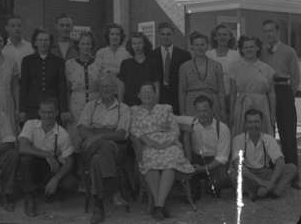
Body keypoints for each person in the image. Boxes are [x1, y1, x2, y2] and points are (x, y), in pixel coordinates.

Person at [130, 82, 194, 221]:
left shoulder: (165, 109)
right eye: (144, 92)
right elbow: (135, 131)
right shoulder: (135, 112)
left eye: (150, 92)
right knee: (150, 162)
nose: (147, 94)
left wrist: (168, 142)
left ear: (155, 94)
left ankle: (158, 205)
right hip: (148, 144)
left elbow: (175, 128)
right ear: (139, 95)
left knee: (170, 161)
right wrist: (151, 143)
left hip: (168, 143)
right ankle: (161, 206)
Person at [77, 74, 131, 224]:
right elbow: (81, 128)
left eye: (108, 86)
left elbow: (122, 134)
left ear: (114, 89)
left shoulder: (123, 108)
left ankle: (98, 206)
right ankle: (113, 188)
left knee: (97, 160)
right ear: (99, 90)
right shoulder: (90, 106)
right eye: (102, 87)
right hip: (90, 145)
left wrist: (98, 137)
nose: (105, 89)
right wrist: (97, 138)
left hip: (114, 148)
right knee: (103, 147)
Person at [19, 98, 78, 217]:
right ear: (39, 113)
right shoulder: (30, 124)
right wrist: (48, 154)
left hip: (51, 168)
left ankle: (46, 191)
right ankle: (30, 196)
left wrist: (56, 178)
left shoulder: (63, 134)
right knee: (25, 159)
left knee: (70, 183)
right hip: (33, 166)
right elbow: (22, 147)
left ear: (56, 112)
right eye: (44, 112)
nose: (47, 116)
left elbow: (69, 161)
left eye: (50, 112)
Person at [260, 19, 301, 189]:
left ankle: (294, 175)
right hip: (266, 92)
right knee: (267, 132)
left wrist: (286, 95)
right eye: (266, 31)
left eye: (271, 30)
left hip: (283, 91)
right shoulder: (261, 51)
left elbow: (296, 77)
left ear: (277, 32)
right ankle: (271, 173)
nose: (269, 34)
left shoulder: (288, 51)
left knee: (288, 134)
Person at [230, 109, 297, 201]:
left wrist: (269, 183)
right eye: (250, 122)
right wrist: (260, 182)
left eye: (256, 122)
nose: (253, 125)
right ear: (245, 124)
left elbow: (280, 162)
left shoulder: (268, 139)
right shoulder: (238, 139)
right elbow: (238, 165)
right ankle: (273, 190)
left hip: (265, 173)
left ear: (261, 123)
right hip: (248, 174)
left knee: (291, 168)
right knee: (233, 174)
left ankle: (259, 191)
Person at [229, 36, 275, 137]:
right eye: (246, 47)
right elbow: (232, 93)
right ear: (241, 49)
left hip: (261, 105)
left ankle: (263, 153)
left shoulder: (267, 69)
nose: (249, 49)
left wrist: (272, 114)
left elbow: (271, 94)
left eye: (252, 46)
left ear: (257, 48)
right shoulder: (235, 68)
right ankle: (241, 153)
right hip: (242, 105)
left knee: (263, 134)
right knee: (241, 136)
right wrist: (232, 113)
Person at [20, 29, 69, 121]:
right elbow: (23, 87)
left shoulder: (58, 61)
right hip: (32, 107)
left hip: (52, 108)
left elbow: (62, 87)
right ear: (35, 43)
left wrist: (63, 110)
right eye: (40, 40)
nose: (43, 43)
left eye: (46, 40)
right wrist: (22, 110)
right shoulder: (27, 61)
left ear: (50, 43)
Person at [189, 95, 231, 199]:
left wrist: (202, 169)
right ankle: (198, 187)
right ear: (195, 112)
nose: (202, 114)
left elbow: (222, 158)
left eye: (205, 110)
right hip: (197, 159)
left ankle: (210, 185)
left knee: (223, 178)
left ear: (212, 110)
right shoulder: (191, 124)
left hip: (215, 162)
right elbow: (172, 118)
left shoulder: (222, 128)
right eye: (199, 111)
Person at [65, 32, 101, 150]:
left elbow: (103, 87)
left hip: (95, 104)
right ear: (78, 45)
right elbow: (66, 89)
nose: (86, 46)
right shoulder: (69, 64)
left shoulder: (99, 63)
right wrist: (67, 109)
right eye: (83, 43)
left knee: (92, 139)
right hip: (76, 104)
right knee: (76, 138)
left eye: (89, 44)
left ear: (92, 46)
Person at [179, 32, 226, 121]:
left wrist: (222, 110)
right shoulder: (184, 67)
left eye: (202, 44)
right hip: (191, 106)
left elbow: (221, 91)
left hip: (212, 105)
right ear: (192, 47)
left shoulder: (216, 66)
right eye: (196, 45)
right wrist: (182, 112)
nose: (199, 47)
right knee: (194, 133)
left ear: (207, 46)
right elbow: (182, 92)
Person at [150, 22, 191, 114]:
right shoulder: (151, 55)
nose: (165, 37)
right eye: (163, 34)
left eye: (168, 34)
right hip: (158, 96)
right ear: (159, 35)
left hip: (177, 96)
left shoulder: (184, 55)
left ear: (173, 35)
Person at [206, 24, 240, 123]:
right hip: (214, 95)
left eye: (225, 34)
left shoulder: (236, 55)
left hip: (232, 94)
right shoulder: (209, 54)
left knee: (231, 122)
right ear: (215, 37)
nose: (222, 37)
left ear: (230, 37)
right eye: (219, 35)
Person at [117, 32, 158, 106]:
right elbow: (121, 88)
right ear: (131, 45)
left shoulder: (153, 63)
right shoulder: (125, 64)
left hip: (148, 105)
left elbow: (156, 87)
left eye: (140, 43)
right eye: (134, 43)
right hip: (128, 104)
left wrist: (155, 105)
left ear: (145, 44)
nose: (137, 46)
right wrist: (120, 105)